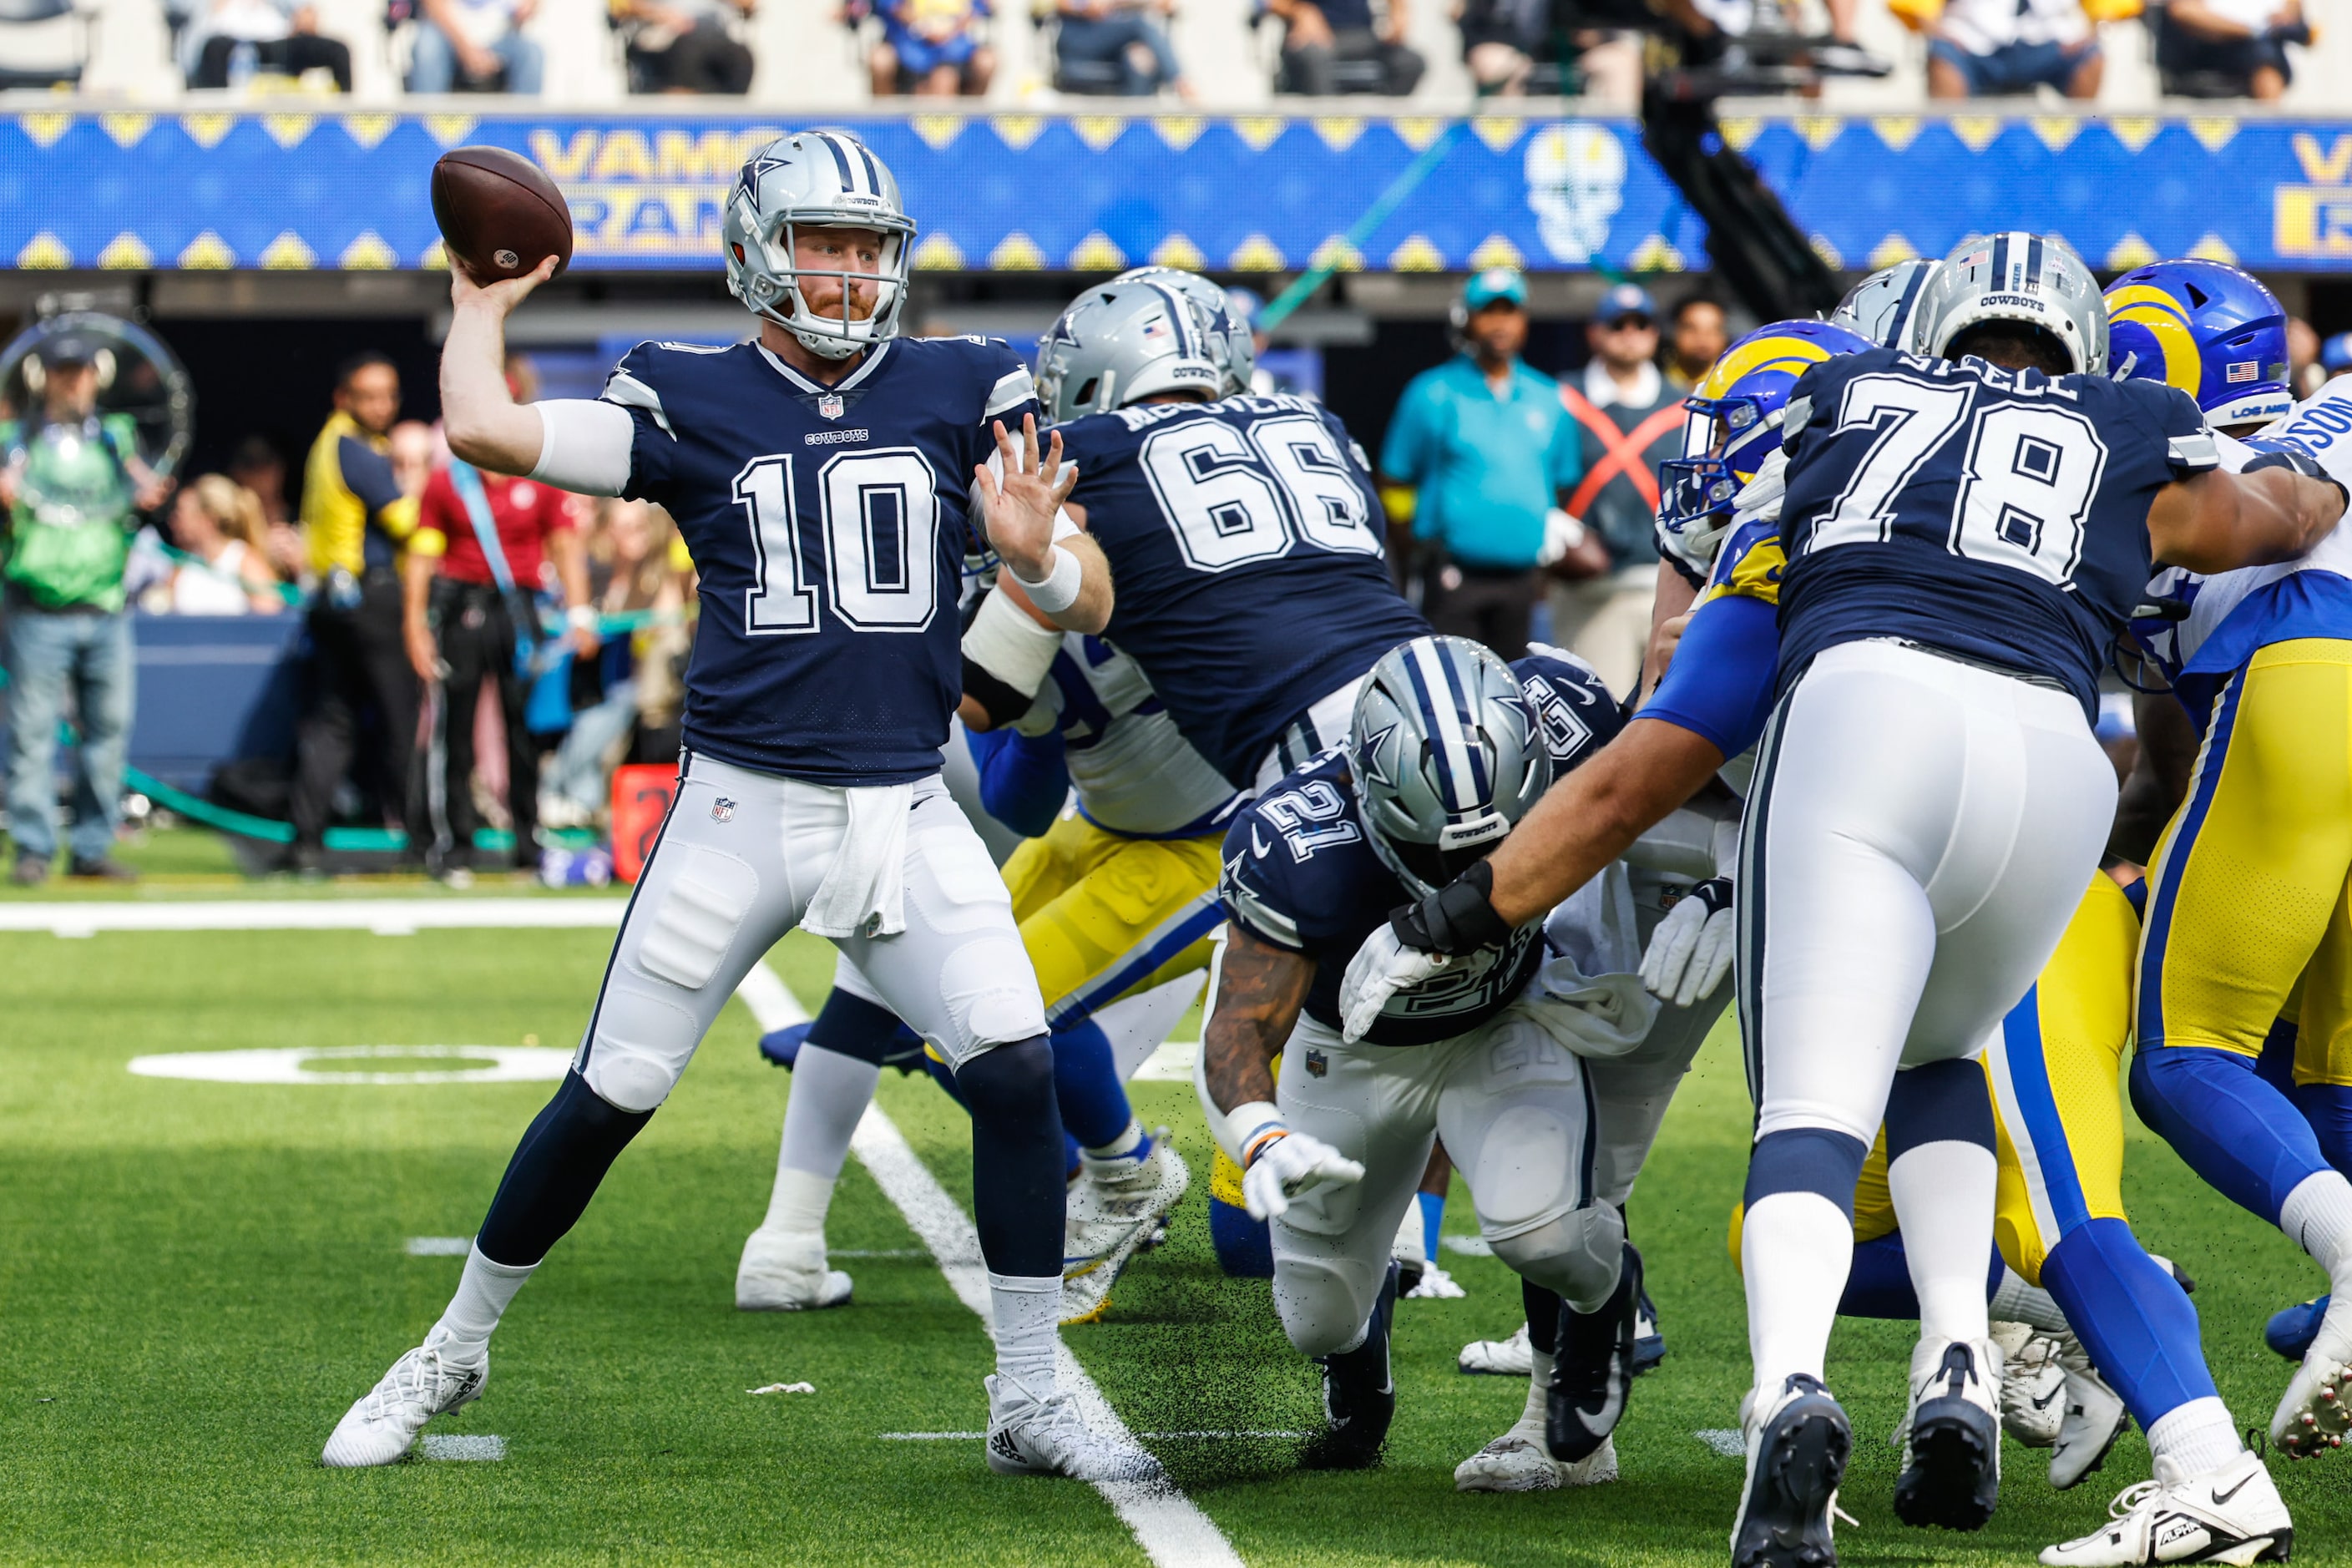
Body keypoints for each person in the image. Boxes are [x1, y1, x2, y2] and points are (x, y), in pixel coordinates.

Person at [1333, 230, 2346, 1565]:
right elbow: (2283, 515)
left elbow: (1662, 748)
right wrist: (2318, 436)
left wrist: (1453, 914)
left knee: (1809, 1113)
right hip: (2055, 758)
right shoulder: (2135, 425)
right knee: (1946, 1064)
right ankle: (1993, 1374)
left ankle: (1789, 1393)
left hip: (1867, 720)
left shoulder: (1834, 412)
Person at [321, 130, 1136, 1484]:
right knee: (610, 1094)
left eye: (871, 244)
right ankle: (454, 1345)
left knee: (1012, 1062)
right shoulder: (689, 391)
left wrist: (1038, 559)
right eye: (824, 240)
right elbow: (485, 428)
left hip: (904, 801)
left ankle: (1032, 1385)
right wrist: (480, 300)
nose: (850, 269)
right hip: (738, 804)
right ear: (759, 248)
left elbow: (1090, 599)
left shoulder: (965, 380)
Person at [1203, 636, 1656, 1481]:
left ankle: (1604, 1297)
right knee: (1317, 1318)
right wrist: (1260, 1132)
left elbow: (1685, 787)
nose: (1466, 876)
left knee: (1546, 1234)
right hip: (1348, 1050)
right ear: (1371, 800)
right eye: (1435, 854)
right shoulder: (1299, 845)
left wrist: (1709, 887)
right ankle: (1361, 1377)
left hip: (1502, 1021)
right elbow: (1238, 1026)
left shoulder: (1571, 721)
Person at [741, 617, 1232, 1323]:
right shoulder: (959, 611)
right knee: (964, 1040)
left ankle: (1129, 1174)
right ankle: (1108, 1175)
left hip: (1209, 841)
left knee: (1252, 1251)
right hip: (1092, 824)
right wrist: (1032, 721)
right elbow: (1019, 802)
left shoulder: (1139, 566)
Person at [2112, 263, 2352, 1473]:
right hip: (2287, 738)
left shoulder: (2169, 490)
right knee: (2318, 1069)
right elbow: (2160, 776)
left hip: (2299, 691)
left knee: (2183, 1054)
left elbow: (2291, 518)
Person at [0, 333, 172, 886]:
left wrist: (149, 492)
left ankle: (93, 847)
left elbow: (147, 487)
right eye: (62, 372)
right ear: (43, 378)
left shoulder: (115, 439)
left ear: (96, 377)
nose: (73, 382)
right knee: (31, 734)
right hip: (36, 610)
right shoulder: (15, 441)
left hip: (104, 606)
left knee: (108, 732)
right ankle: (33, 848)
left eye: (81, 372)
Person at [1380, 267, 1596, 664]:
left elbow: (1562, 483)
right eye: (1488, 312)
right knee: (1454, 696)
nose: (1501, 324)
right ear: (1466, 320)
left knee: (1516, 695)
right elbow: (1394, 481)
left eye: (1510, 312)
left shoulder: (1548, 397)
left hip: (1523, 581)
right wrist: (1418, 545)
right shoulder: (1432, 392)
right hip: (1452, 577)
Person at [402, 450, 597, 880]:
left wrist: (580, 612)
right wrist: (415, 624)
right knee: (455, 728)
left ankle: (528, 843)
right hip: (463, 608)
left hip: (519, 612)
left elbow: (565, 542)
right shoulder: (447, 482)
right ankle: (454, 845)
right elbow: (423, 552)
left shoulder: (540, 478)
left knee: (525, 727)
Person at [288, 352, 422, 873]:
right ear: (343, 398)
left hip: (331, 599)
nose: (382, 406)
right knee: (400, 719)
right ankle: (419, 842)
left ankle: (306, 842)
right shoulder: (357, 450)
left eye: (389, 395)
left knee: (333, 721)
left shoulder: (328, 444)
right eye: (369, 396)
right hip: (370, 598)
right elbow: (406, 521)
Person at [1550, 281, 1682, 698]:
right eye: (1617, 324)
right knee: (1590, 715)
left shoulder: (1685, 406)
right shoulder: (1558, 399)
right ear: (1594, 333)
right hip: (1589, 591)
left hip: (1667, 585)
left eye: (1640, 324)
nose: (1629, 333)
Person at [151, 474, 282, 615]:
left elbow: (270, 612)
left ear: (207, 519)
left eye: (181, 512)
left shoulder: (243, 560)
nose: (174, 521)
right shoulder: (182, 564)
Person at [1923, 0, 2101, 98]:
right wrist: (1933, 29)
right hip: (1971, 38)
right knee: (1943, 56)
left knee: (2090, 56)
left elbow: (2110, 6)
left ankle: (2078, 154)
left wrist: (2096, 30)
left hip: (2049, 37)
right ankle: (1949, 156)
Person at [183, 0, 354, 88]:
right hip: (224, 40)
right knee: (216, 50)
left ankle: (343, 133)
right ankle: (218, 126)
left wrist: (303, 14)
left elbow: (305, 12)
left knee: (338, 50)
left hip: (275, 38)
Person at [1267, 0, 1423, 95]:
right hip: (1315, 40)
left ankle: (1378, 130)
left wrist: (1398, 12)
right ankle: (1329, 131)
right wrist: (1302, 12)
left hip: (1361, 36)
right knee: (1315, 58)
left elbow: (1398, 7)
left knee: (1410, 63)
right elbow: (1272, 3)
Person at [2154, 0, 2304, 97]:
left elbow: (2295, 18)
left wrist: (2285, 18)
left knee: (2266, 59)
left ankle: (2271, 133)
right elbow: (2182, 10)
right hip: (2200, 44)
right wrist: (2247, 30)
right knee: (2264, 51)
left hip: (2255, 48)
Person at [614, 0, 756, 93]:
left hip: (712, 36)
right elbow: (619, 6)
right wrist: (658, 14)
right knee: (686, 49)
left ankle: (730, 123)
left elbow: (748, 5)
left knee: (740, 57)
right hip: (662, 34)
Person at [1052, 0, 1181, 97]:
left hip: (1112, 45)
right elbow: (1048, 3)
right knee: (1139, 24)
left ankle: (1134, 126)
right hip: (1079, 42)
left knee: (1139, 58)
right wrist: (1083, 5)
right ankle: (1180, 82)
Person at [407, 0, 544, 92]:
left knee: (532, 53)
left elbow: (528, 7)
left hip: (499, 36)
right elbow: (434, 6)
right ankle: (425, 126)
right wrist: (466, 49)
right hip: (448, 33)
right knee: (427, 46)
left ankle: (523, 130)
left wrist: (526, 9)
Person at [1664, 292, 1729, 392]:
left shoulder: (1732, 385)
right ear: (1675, 332)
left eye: (1712, 331)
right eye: (1691, 329)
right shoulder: (1655, 381)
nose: (1702, 340)